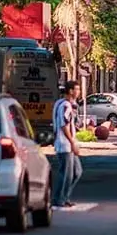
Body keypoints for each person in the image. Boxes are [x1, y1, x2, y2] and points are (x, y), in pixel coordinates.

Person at [52, 80, 82, 208]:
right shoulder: (65, 106)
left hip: (67, 143)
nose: (78, 92)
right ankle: (59, 199)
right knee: (67, 174)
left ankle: (64, 197)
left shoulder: (63, 104)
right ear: (70, 91)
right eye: (77, 89)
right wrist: (72, 142)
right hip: (64, 144)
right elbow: (64, 125)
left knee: (76, 172)